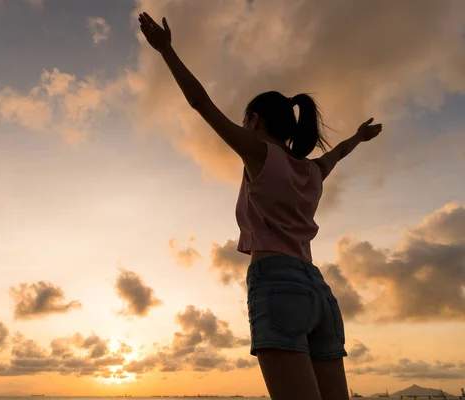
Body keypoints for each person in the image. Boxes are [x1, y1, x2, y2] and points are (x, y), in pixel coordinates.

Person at [139, 12, 383, 400]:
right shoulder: (312, 170)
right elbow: (337, 153)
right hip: (319, 291)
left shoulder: (259, 155)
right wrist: (358, 137)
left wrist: (167, 51)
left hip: (278, 285)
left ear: (254, 120)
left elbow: (200, 103)